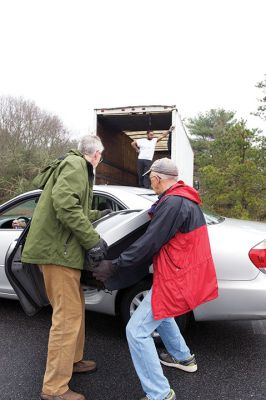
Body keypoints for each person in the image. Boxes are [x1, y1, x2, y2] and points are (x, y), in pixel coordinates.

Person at [93, 158, 218, 400]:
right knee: (161, 312)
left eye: (151, 180)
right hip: (181, 272)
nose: (151, 185)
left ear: (158, 179)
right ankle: (183, 357)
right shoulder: (181, 198)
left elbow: (149, 242)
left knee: (136, 331)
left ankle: (159, 393)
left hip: (177, 277)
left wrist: (115, 264)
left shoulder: (173, 204)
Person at [22, 135, 110, 400]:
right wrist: (92, 239)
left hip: (61, 254)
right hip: (57, 255)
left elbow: (75, 208)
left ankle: (73, 360)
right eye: (101, 155)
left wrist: (99, 214)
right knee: (66, 319)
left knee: (75, 312)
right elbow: (64, 203)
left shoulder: (73, 166)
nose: (101, 159)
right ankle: (54, 389)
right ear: (95, 155)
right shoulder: (76, 165)